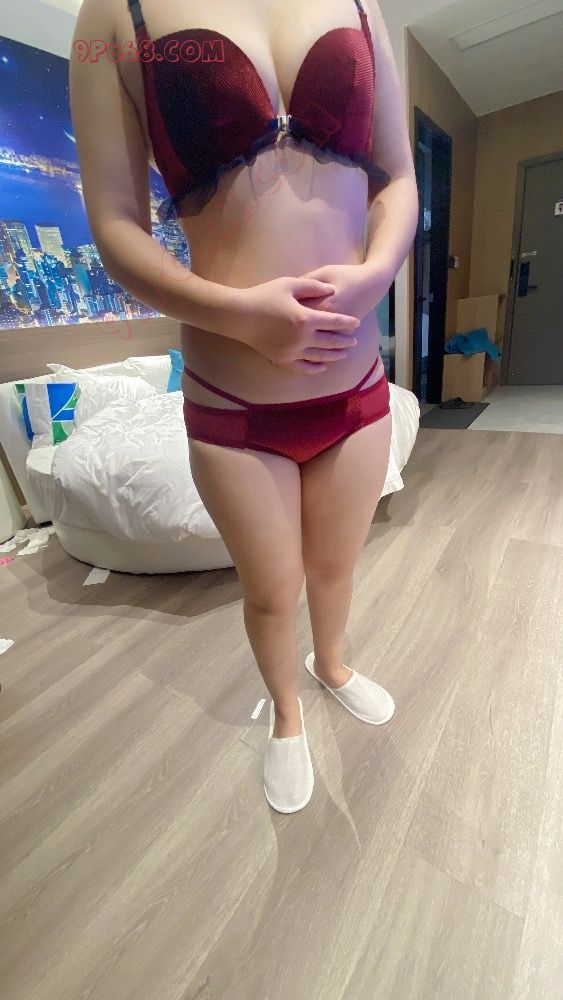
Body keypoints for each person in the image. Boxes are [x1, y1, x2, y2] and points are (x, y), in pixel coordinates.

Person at [69, 0, 419, 813]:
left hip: (357, 386)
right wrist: (240, 316)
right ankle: (286, 716)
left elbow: (397, 177)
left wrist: (374, 276)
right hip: (234, 401)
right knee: (268, 589)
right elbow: (114, 224)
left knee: (335, 568)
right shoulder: (110, 15)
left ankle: (331, 665)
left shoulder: (360, 5)